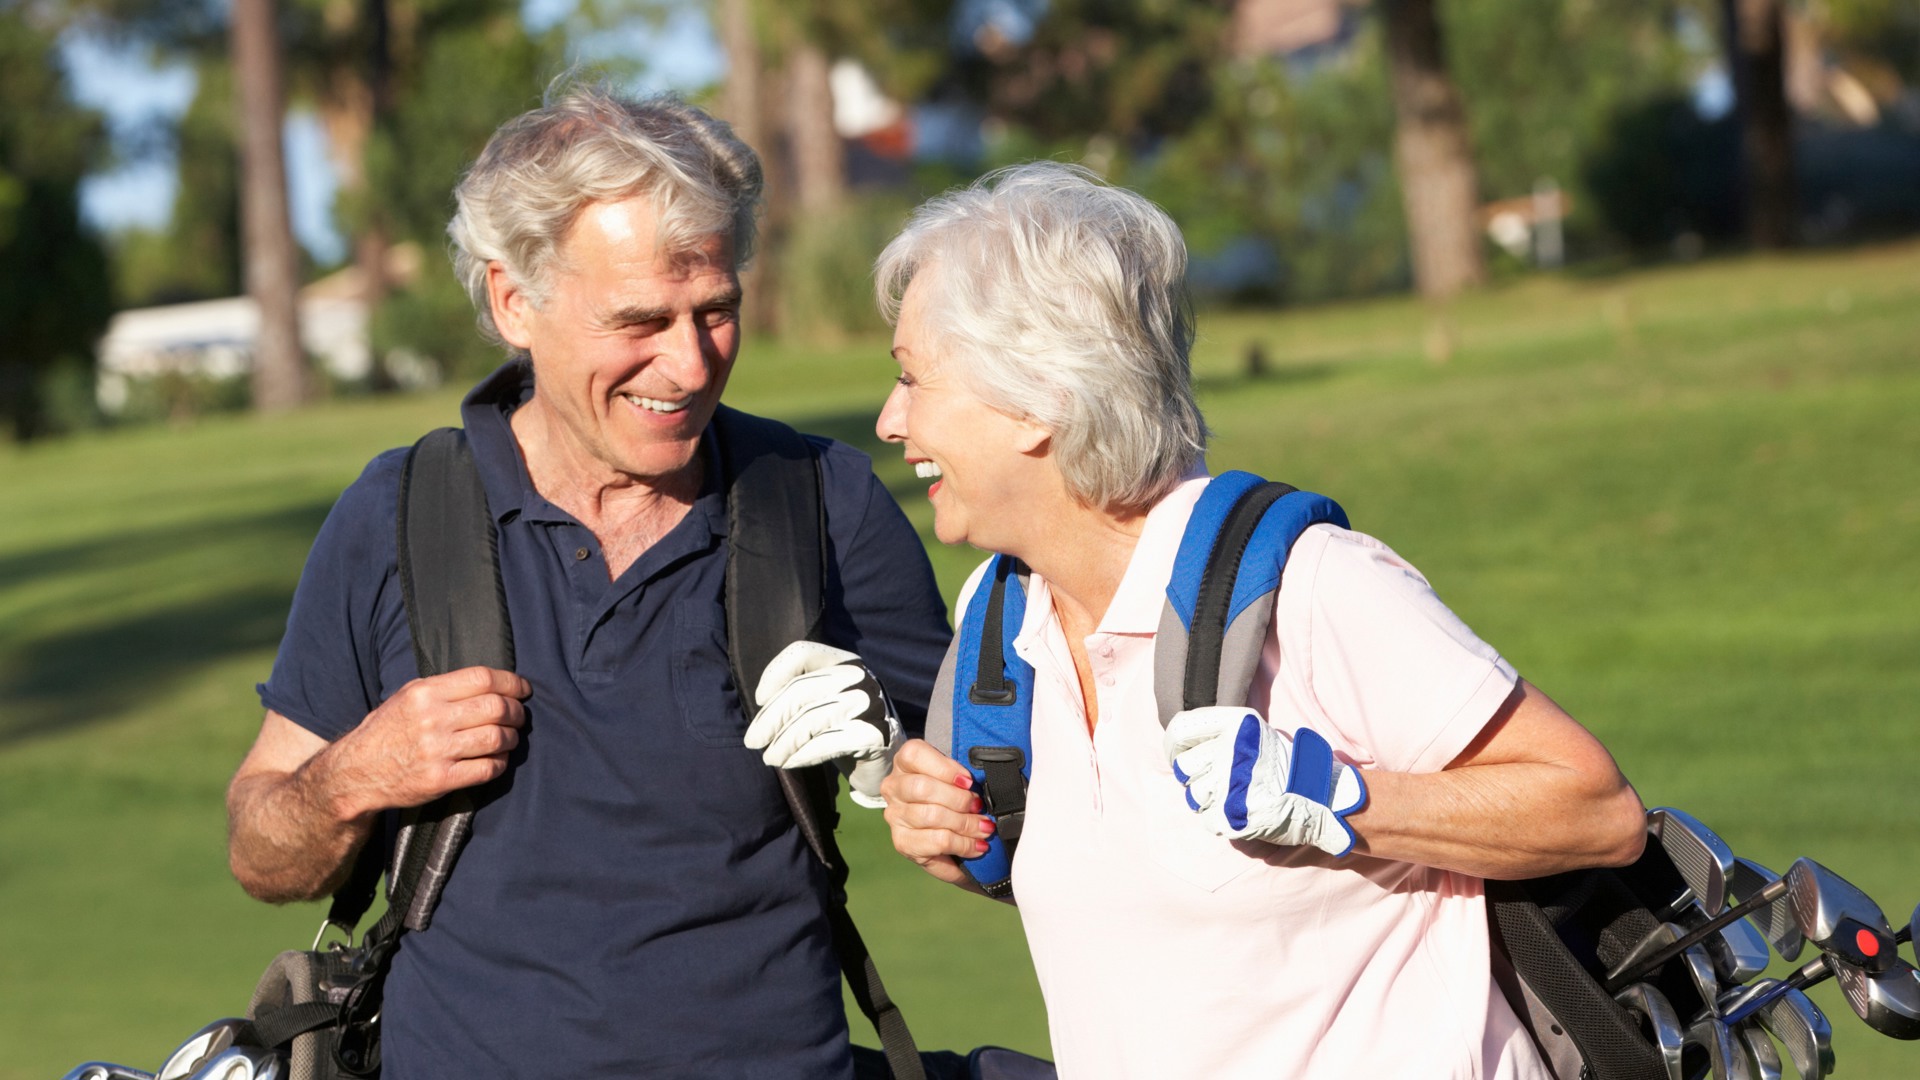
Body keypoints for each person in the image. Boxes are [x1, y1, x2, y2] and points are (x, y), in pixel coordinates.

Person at [225, 84, 951, 1077]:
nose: (691, 364)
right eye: (640, 319)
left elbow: (1003, 835)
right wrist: (359, 772)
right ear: (514, 300)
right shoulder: (400, 515)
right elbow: (261, 854)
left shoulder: (821, 502)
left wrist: (902, 757)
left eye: (717, 310)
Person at [872, 162, 1649, 1078]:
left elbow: (1595, 812)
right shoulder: (1003, 614)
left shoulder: (1312, 588)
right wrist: (952, 836)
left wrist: (1339, 800)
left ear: (1037, 401)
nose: (889, 422)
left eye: (913, 381)